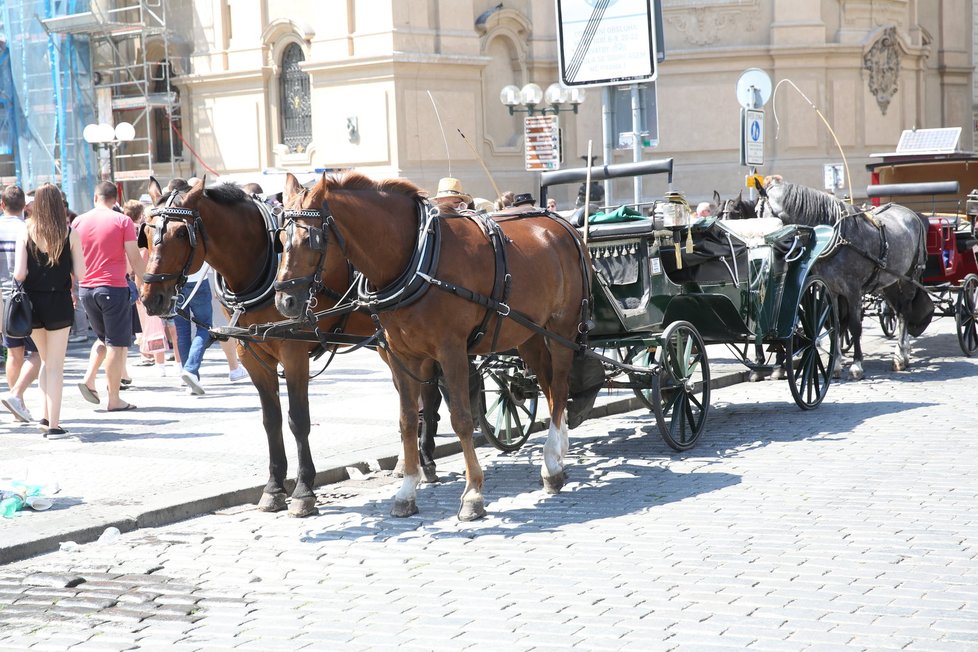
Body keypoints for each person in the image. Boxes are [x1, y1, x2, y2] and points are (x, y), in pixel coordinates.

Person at [10, 184, 86, 435]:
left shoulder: (26, 231)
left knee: (45, 360)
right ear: (58, 204)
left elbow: (20, 273)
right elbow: (81, 273)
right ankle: (53, 424)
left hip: (31, 305)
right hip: (59, 304)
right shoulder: (68, 232)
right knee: (55, 365)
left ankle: (44, 416)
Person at [73, 181, 144, 412]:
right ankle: (114, 399)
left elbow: (72, 258)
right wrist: (143, 283)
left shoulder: (78, 221)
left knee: (103, 339)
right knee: (117, 344)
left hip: (86, 289)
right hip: (113, 287)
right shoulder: (122, 221)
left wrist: (74, 287)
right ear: (115, 200)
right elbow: (134, 257)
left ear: (95, 197)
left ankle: (88, 378)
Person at [0, 185, 41, 422]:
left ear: (2, 204)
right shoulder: (27, 228)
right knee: (37, 353)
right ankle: (17, 396)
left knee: (13, 354)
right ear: (24, 206)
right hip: (22, 298)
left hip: (2, 296)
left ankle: (18, 406)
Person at [175, 261, 215, 395]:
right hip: (199, 281)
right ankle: (190, 370)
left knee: (182, 332)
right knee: (205, 327)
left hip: (177, 283)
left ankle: (190, 376)